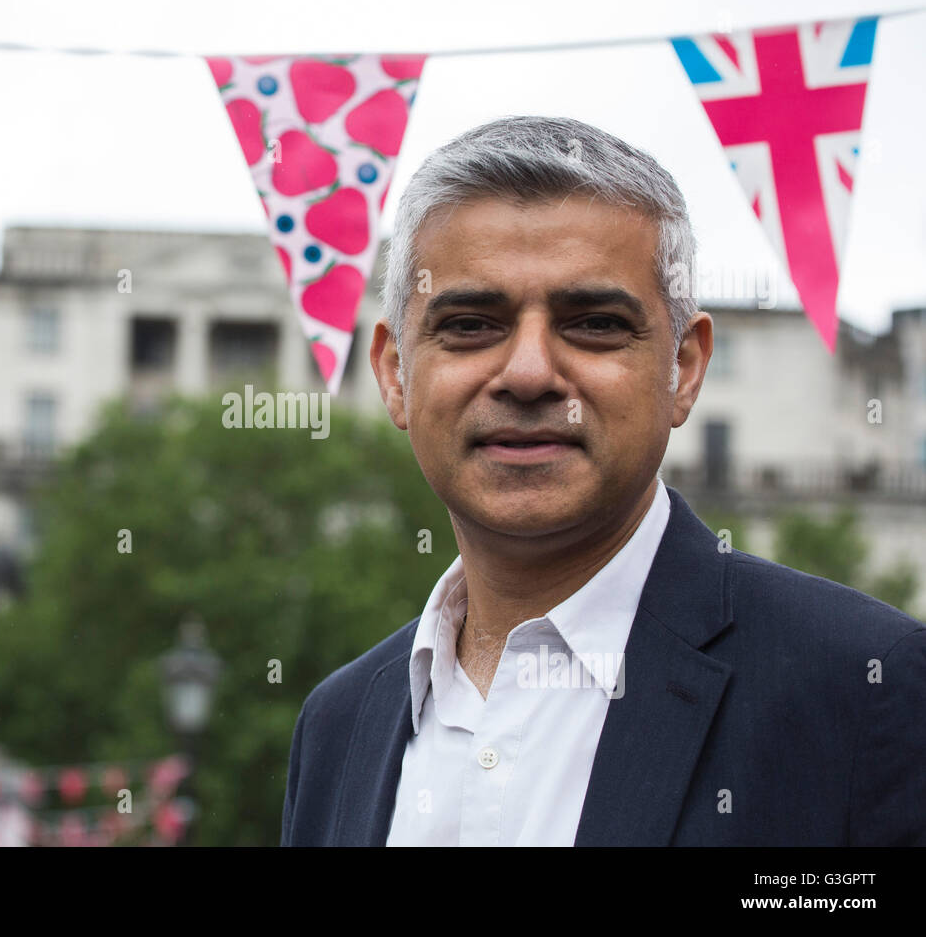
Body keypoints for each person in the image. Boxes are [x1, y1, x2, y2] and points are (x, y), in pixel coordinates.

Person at [280, 115, 926, 846]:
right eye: (469, 324)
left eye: (593, 323)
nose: (527, 374)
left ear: (683, 368)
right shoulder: (337, 725)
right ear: (395, 374)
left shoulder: (863, 685)